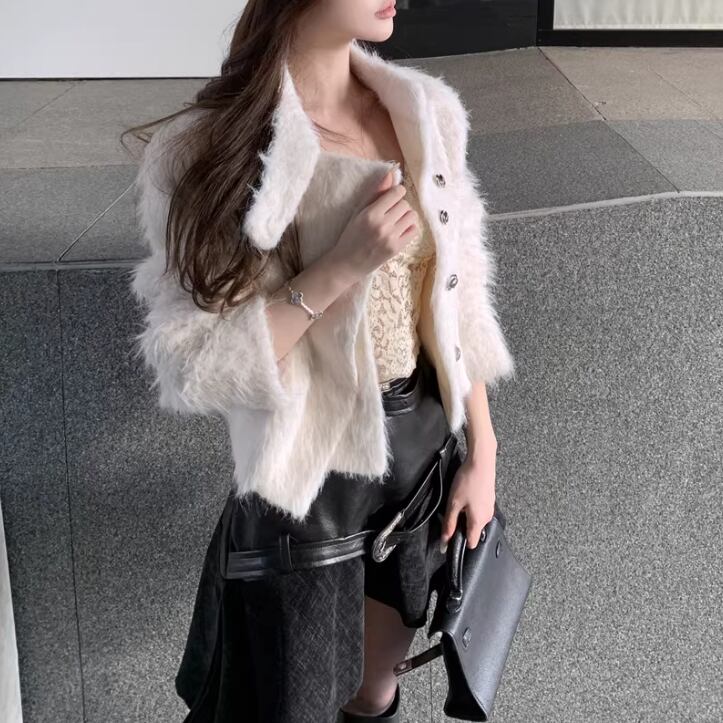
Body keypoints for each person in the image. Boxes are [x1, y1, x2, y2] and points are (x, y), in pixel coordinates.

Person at [124, 2, 516, 721]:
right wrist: (340, 268)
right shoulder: (210, 145)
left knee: (378, 691)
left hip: (421, 457)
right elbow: (194, 363)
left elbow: (461, 299)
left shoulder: (424, 110)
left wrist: (483, 453)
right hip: (308, 478)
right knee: (294, 703)